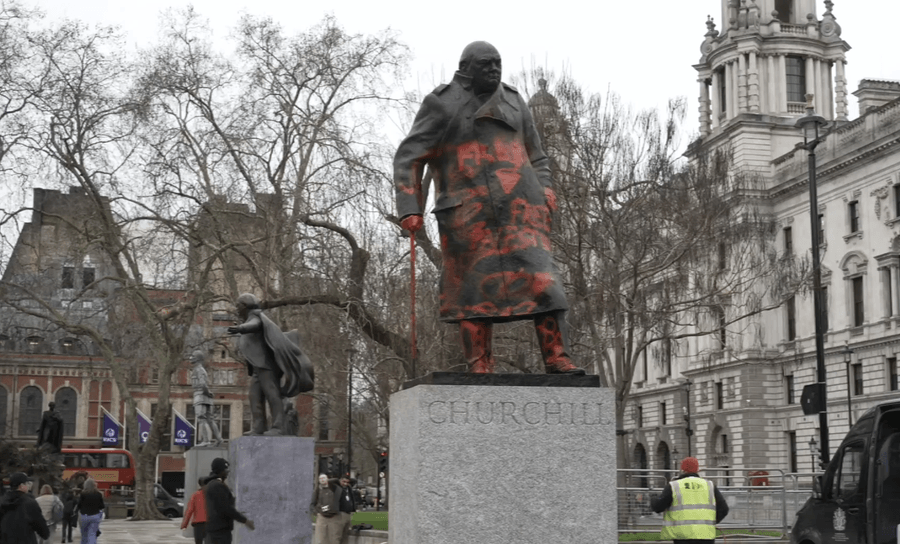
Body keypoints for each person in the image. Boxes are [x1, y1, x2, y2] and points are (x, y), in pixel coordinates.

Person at [394, 41, 583, 375]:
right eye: (486, 64)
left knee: (544, 282)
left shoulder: (513, 100)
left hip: (521, 210)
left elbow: (536, 154)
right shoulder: (441, 104)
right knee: (471, 290)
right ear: (466, 68)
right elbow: (410, 156)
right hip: (468, 214)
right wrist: (411, 207)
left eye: (497, 63)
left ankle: (556, 356)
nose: (494, 70)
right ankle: (479, 362)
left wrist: (546, 191)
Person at [227, 293, 314, 435]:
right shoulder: (251, 318)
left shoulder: (256, 316)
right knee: (254, 396)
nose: (236, 310)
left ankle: (278, 427)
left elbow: (255, 325)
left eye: (238, 306)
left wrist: (241, 328)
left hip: (266, 366)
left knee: (272, 393)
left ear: (245, 306)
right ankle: (259, 426)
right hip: (257, 366)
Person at [651, 457, 729, 544]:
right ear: (697, 470)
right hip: (705, 535)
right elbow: (724, 509)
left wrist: (653, 497)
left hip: (682, 535)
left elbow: (658, 507)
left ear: (682, 469)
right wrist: (712, 521)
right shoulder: (709, 485)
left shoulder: (674, 486)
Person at [205, 458, 254, 544]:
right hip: (219, 533)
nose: (227, 472)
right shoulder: (217, 486)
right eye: (226, 469)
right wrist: (245, 521)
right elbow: (226, 508)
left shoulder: (213, 484)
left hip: (215, 531)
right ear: (220, 470)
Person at [0, 472, 49, 544]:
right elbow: (41, 527)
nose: (29, 486)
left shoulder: (2, 502)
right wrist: (45, 534)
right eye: (27, 483)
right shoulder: (30, 503)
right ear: (21, 486)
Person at [190, 350, 224, 447]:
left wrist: (207, 392)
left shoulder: (198, 369)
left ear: (197, 359)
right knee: (210, 419)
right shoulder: (200, 369)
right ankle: (219, 439)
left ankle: (206, 440)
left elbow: (203, 384)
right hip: (205, 396)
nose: (191, 358)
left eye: (193, 356)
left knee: (201, 418)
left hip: (200, 395)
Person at [181, 477, 209, 544]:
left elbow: (189, 511)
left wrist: (184, 525)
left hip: (198, 524)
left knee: (198, 542)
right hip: (210, 523)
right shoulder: (213, 495)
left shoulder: (195, 495)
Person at [77, 479, 104, 544]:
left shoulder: (83, 494)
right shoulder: (98, 494)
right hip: (95, 516)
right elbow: (102, 506)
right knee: (92, 535)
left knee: (84, 535)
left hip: (84, 516)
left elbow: (79, 505)